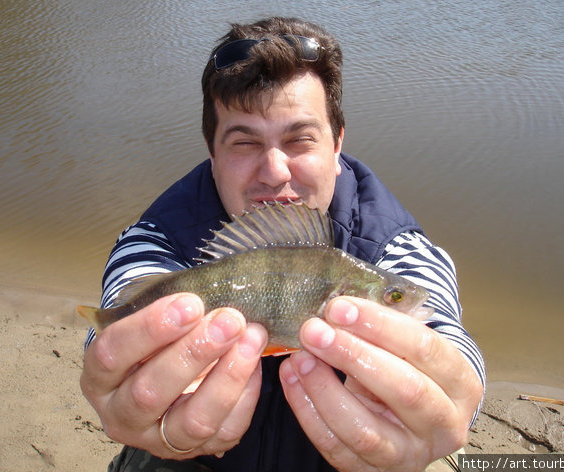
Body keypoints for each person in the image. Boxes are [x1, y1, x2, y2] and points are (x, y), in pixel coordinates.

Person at [80, 16, 485, 472]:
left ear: (337, 146)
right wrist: (118, 371)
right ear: (211, 153)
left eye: (300, 139)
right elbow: (129, 292)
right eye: (244, 142)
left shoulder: (393, 244)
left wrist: (453, 391)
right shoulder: (157, 235)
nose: (275, 172)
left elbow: (443, 328)